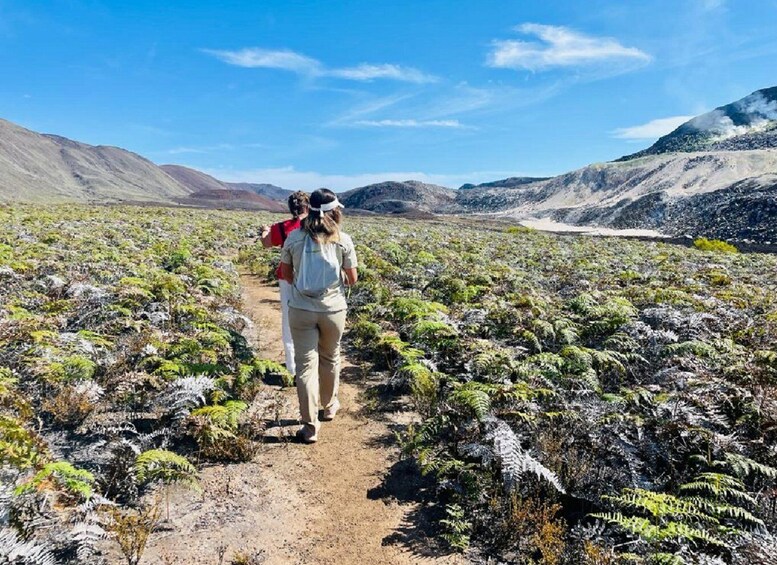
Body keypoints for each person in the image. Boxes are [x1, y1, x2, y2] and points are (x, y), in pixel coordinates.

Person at [279, 189, 358, 443]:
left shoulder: (293, 238)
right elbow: (352, 279)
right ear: (334, 211)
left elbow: (286, 274)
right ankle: (329, 405)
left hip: (301, 309)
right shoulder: (343, 240)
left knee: (305, 367)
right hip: (333, 310)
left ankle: (310, 426)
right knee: (330, 357)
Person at [260, 191, 310, 375]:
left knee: (289, 319)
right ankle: (312, 364)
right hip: (314, 278)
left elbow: (265, 243)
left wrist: (265, 230)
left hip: (288, 277)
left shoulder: (282, 228)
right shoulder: (319, 225)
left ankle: (293, 367)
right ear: (308, 205)